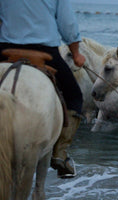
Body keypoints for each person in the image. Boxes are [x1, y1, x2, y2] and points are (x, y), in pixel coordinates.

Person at [0, 0, 86, 178]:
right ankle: (60, 155)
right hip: (45, 52)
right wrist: (76, 54)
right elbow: (67, 24)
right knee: (75, 97)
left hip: (5, 49)